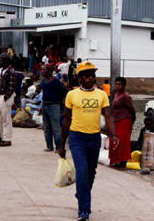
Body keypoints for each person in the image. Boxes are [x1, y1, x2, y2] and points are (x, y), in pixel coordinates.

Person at [58, 61, 118, 221]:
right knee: (82, 173)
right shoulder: (72, 95)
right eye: (87, 76)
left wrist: (114, 135)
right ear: (80, 78)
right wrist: (62, 144)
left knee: (90, 174)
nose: (91, 78)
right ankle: (84, 211)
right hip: (77, 139)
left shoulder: (101, 95)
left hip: (94, 139)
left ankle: (81, 193)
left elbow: (108, 115)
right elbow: (66, 120)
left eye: (93, 75)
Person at [109, 77, 135, 168]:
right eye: (116, 84)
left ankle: (122, 161)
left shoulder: (125, 96)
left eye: (119, 84)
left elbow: (132, 109)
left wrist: (132, 120)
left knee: (122, 141)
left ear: (123, 85)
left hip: (124, 120)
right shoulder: (116, 94)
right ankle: (115, 160)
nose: (117, 86)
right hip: (116, 120)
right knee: (114, 140)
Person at [40, 64, 66, 152]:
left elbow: (63, 95)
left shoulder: (57, 82)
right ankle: (49, 146)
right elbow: (43, 94)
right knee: (47, 128)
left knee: (56, 128)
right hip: (45, 105)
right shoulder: (43, 81)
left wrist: (63, 109)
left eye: (44, 70)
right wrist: (41, 106)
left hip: (54, 106)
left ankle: (58, 147)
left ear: (49, 71)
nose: (42, 71)